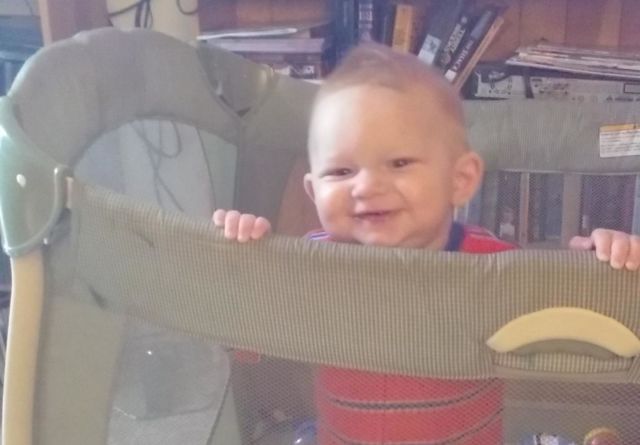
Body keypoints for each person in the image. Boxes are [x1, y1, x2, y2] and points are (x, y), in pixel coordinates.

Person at [212, 43, 640, 444]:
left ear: (460, 180)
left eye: (399, 163)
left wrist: (600, 265)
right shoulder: (308, 263)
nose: (366, 186)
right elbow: (246, 346)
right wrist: (240, 264)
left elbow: (573, 321)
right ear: (312, 191)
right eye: (341, 171)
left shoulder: (490, 266)